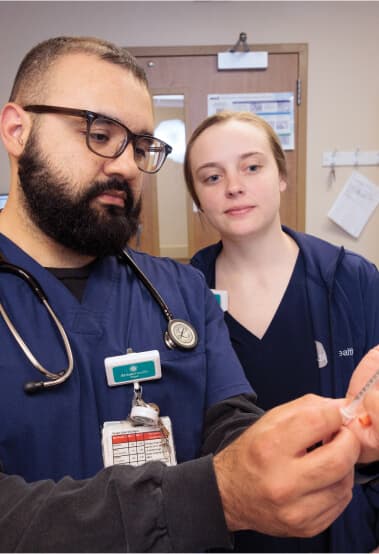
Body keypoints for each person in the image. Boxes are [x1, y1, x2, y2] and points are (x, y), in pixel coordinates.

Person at [0, 37, 378, 554]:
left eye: (138, 146)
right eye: (99, 132)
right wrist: (212, 497)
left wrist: (311, 451)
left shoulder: (180, 290)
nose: (129, 166)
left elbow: (230, 422)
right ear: (17, 130)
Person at [184, 110, 379, 552]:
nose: (234, 185)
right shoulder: (180, 297)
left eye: (252, 167)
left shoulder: (352, 281)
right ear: (197, 198)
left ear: (281, 176)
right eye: (212, 177)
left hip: (341, 533)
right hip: (229, 534)